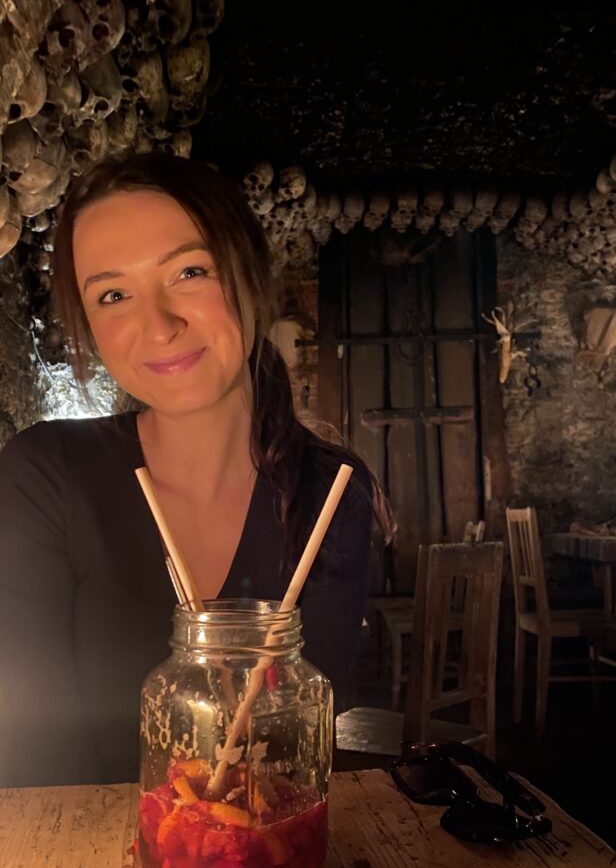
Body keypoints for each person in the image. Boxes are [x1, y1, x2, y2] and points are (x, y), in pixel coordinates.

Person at [0, 152, 392, 789]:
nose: (157, 325)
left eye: (189, 271)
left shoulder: (330, 495)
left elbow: (303, 757)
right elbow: (24, 768)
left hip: (262, 865)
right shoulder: (42, 479)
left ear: (250, 276)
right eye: (113, 294)